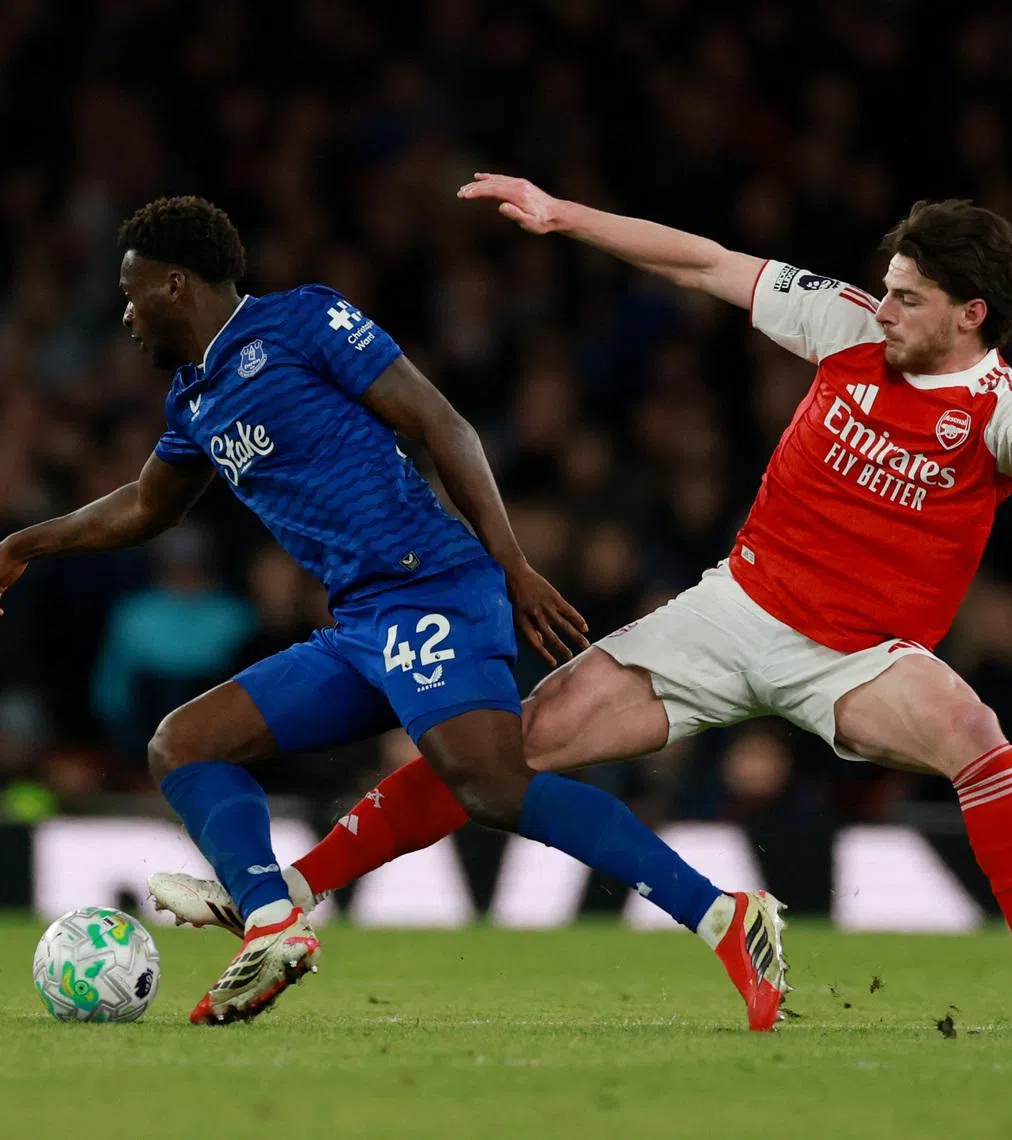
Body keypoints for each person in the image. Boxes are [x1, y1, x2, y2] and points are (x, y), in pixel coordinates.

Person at [155, 177, 1012, 1036]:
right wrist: (562, 214)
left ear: (970, 315)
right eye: (884, 288)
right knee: (511, 748)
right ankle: (292, 894)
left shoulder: (997, 407)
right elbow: (707, 263)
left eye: (907, 299)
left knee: (977, 737)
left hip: (859, 656)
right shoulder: (849, 328)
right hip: (732, 610)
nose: (881, 308)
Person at [0, 196, 788, 1028]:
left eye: (131, 296)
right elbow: (144, 509)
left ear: (174, 285)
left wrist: (512, 564)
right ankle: (272, 922)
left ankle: (724, 915)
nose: (123, 315)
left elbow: (442, 423)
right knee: (184, 744)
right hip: (360, 624)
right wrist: (27, 545)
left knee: (489, 781)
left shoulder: (302, 321)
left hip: (434, 585)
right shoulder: (193, 401)